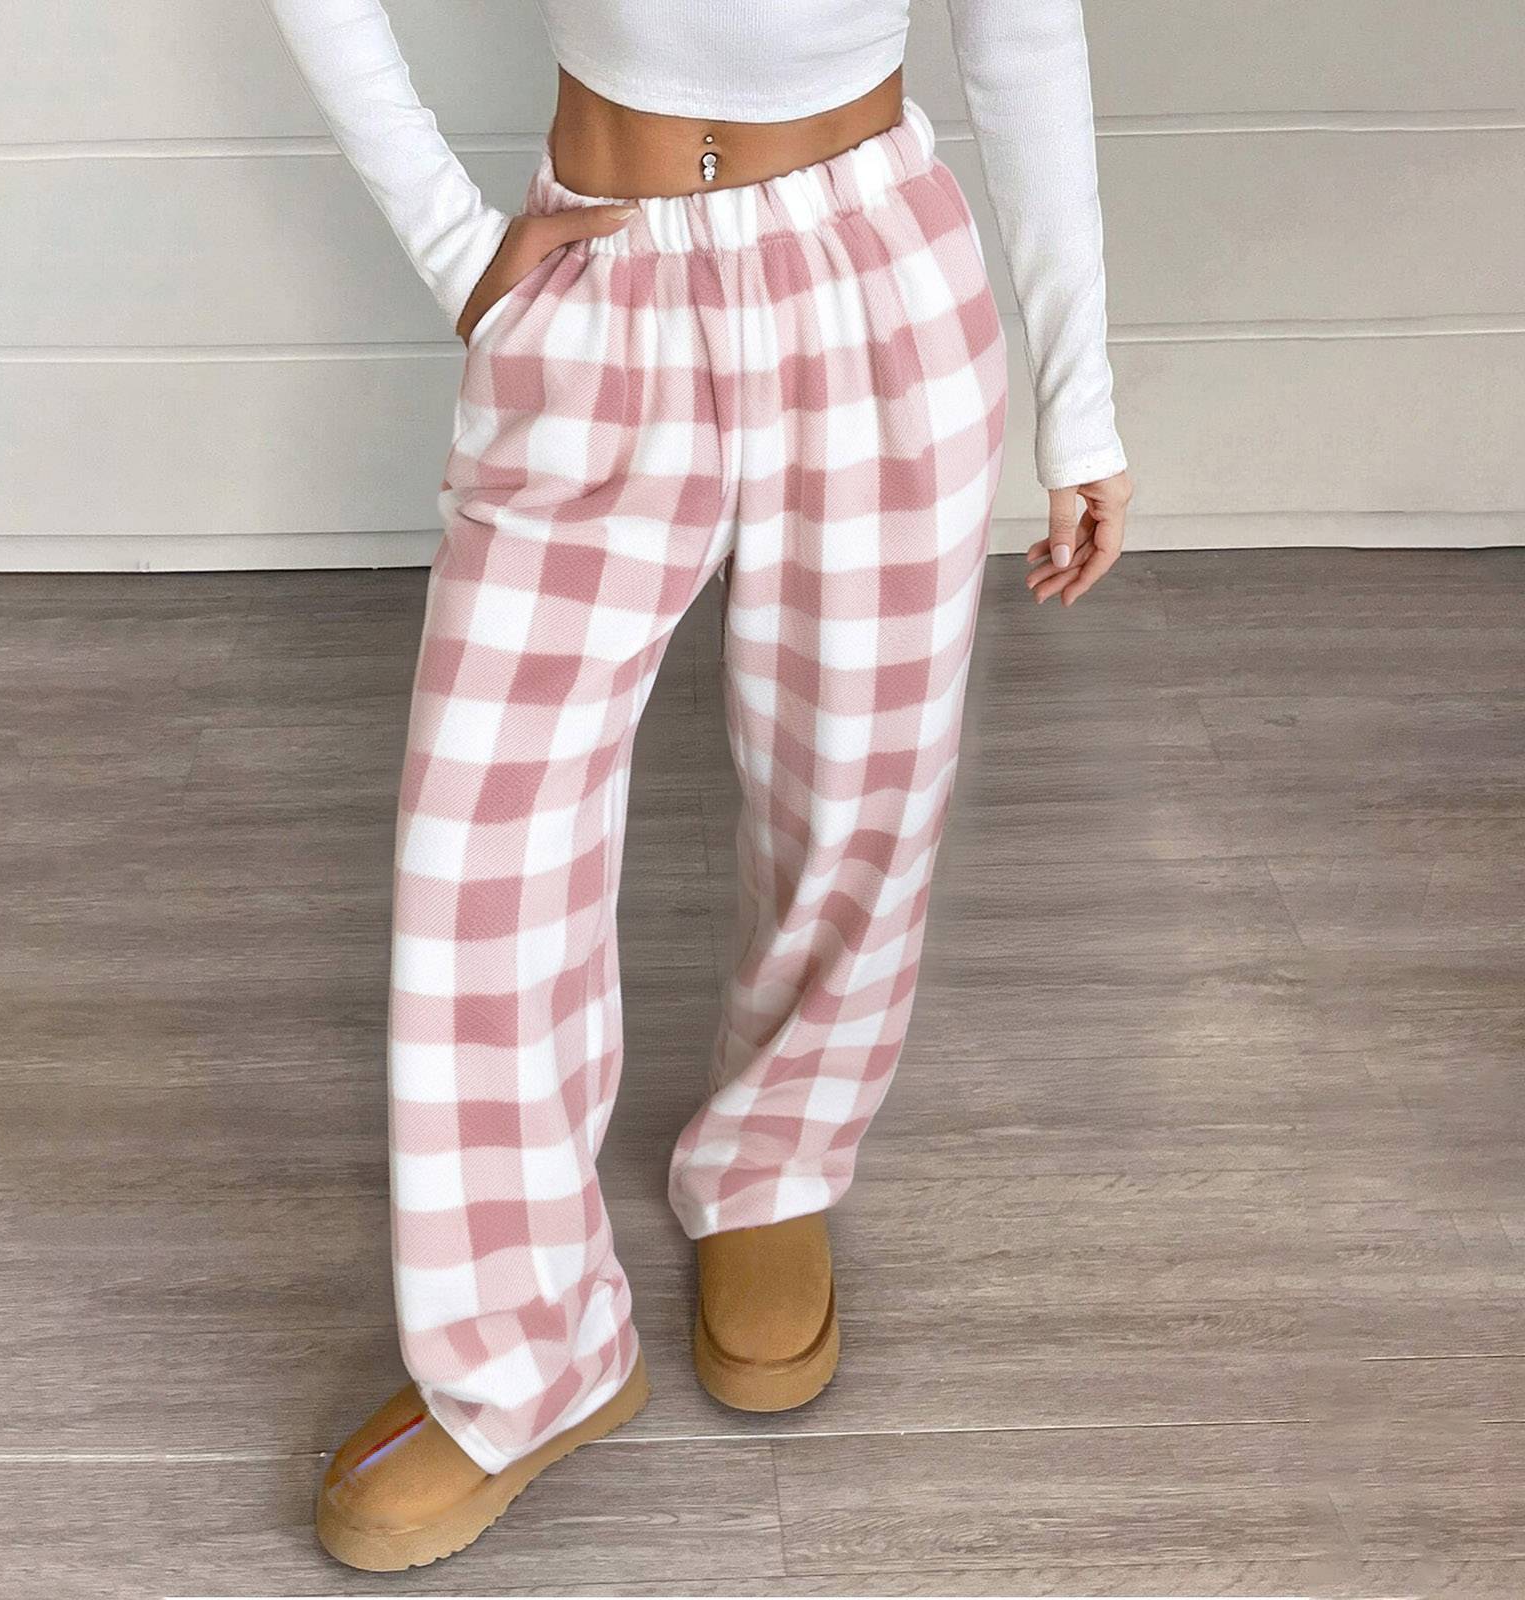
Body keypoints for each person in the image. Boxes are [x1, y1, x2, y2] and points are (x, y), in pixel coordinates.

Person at [262, 0, 1134, 1572]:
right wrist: (452, 242)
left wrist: (1083, 402)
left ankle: (774, 1159)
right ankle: (527, 1358)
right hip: (602, 280)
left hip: (877, 286)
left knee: (858, 793)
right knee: (480, 847)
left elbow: (1022, 38)